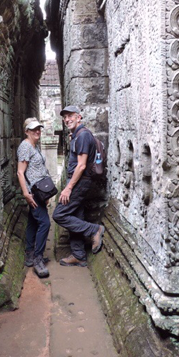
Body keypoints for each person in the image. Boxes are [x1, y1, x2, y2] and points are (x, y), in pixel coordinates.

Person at [52, 105, 105, 267]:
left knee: (59, 215)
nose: (67, 119)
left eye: (70, 116)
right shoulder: (77, 135)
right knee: (76, 216)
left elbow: (81, 166)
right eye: (65, 117)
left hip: (79, 182)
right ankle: (79, 255)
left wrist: (68, 188)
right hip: (78, 181)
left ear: (79, 117)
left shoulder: (82, 136)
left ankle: (94, 230)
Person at [17, 117, 51, 278]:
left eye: (39, 128)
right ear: (26, 131)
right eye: (33, 129)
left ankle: (30, 253)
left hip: (39, 191)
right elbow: (20, 172)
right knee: (45, 223)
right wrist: (26, 193)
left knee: (32, 221)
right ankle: (38, 258)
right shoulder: (25, 146)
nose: (37, 131)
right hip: (33, 192)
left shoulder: (33, 146)